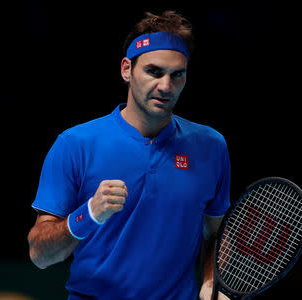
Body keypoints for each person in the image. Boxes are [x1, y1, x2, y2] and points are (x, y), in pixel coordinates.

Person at [27, 10, 231, 300]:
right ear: (126, 69)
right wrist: (89, 214)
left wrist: (212, 282)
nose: (165, 86)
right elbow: (39, 254)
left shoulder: (211, 146)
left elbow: (216, 235)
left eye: (177, 75)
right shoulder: (75, 144)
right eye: (154, 71)